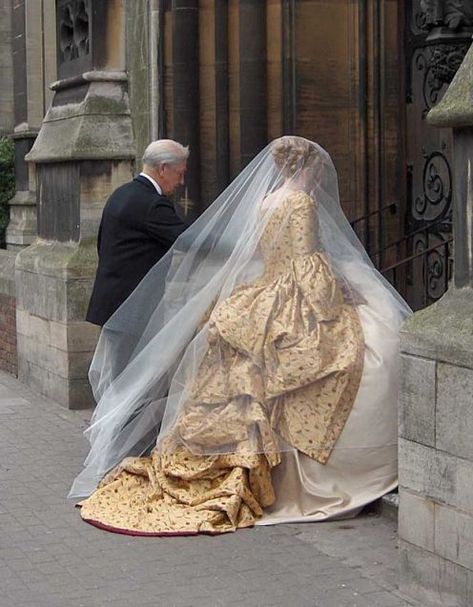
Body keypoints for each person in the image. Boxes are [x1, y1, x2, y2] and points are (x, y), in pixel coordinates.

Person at [70, 136, 411, 535]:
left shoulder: (266, 201)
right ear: (310, 168)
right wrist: (335, 293)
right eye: (179, 171)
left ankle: (172, 456)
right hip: (288, 290)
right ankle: (304, 475)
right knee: (348, 357)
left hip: (262, 291)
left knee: (246, 382)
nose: (182, 178)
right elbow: (303, 260)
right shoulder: (300, 202)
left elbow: (264, 252)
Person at [86, 139, 189, 327]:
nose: (181, 182)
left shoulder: (121, 193)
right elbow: (189, 239)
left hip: (112, 303)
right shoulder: (152, 204)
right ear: (163, 169)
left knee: (116, 357)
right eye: (180, 174)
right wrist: (243, 242)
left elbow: (101, 244)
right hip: (133, 311)